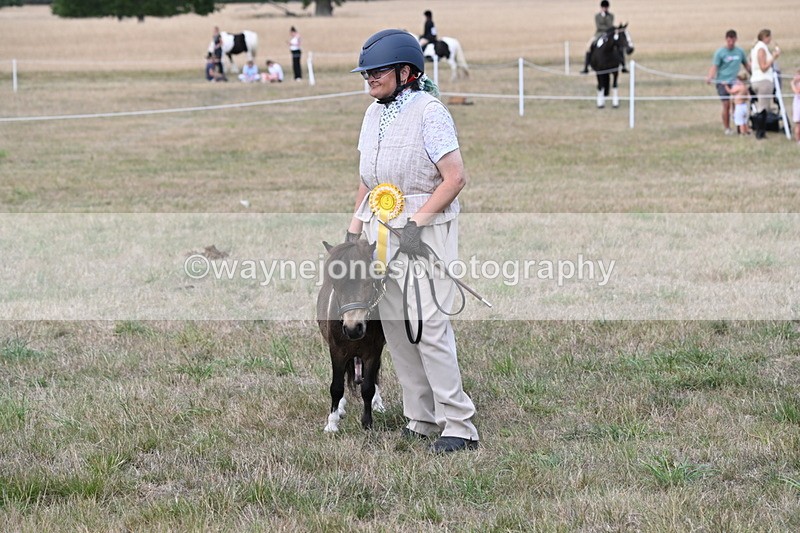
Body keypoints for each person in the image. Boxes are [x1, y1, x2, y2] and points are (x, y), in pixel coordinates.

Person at [346, 29, 480, 453]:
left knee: (430, 325)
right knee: (397, 328)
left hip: (424, 233)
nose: (369, 77)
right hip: (378, 234)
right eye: (365, 71)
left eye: (377, 71)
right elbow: (367, 180)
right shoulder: (371, 115)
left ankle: (459, 424)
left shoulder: (431, 112)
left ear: (406, 72)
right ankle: (420, 417)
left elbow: (455, 177)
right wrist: (353, 231)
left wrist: (415, 223)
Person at [706, 30, 750, 135]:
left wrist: (754, 74)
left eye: (733, 40)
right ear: (726, 39)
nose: (731, 43)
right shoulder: (720, 52)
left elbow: (746, 65)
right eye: (729, 40)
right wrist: (710, 77)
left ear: (736, 39)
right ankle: (727, 128)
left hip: (735, 81)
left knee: (739, 103)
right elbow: (714, 66)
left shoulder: (740, 52)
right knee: (726, 105)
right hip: (722, 82)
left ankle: (740, 127)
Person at [750, 29, 781, 140]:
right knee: (763, 108)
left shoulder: (755, 48)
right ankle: (760, 133)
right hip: (763, 81)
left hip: (757, 80)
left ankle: (761, 131)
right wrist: (773, 57)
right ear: (766, 37)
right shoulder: (761, 48)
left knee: (762, 106)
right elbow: (763, 66)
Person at [580, 1, 624, 74]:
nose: (605, 9)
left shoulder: (611, 16)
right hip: (599, 34)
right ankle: (586, 67)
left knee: (618, 45)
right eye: (604, 7)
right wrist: (609, 27)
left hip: (609, 34)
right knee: (588, 46)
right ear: (601, 7)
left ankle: (623, 64)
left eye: (606, 7)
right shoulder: (597, 16)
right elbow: (599, 26)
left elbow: (610, 25)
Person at [792, 68, 800, 144]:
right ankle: (798, 140)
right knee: (798, 124)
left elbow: (797, 91)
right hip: (797, 105)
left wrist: (793, 83)